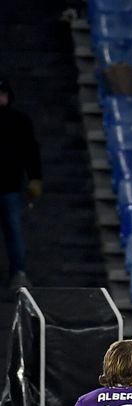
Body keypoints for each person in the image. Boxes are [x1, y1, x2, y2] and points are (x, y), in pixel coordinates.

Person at [0, 77, 40, 290]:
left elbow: (31, 152)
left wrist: (35, 178)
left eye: (2, 93)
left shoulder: (20, 121)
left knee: (14, 232)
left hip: (11, 187)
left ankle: (18, 273)